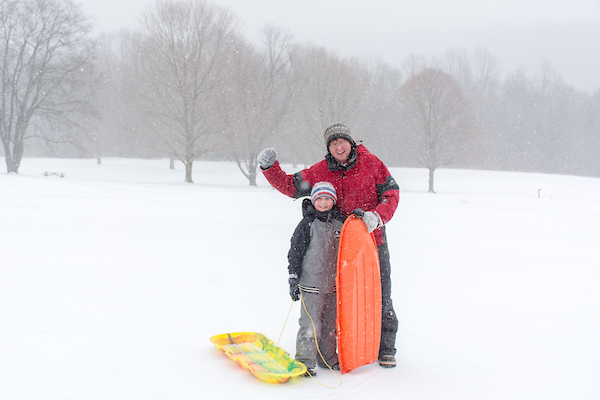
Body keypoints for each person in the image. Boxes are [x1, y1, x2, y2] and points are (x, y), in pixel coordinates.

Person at [258, 123, 400, 368]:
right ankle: (340, 350)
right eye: (333, 143)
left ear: (351, 142)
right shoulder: (322, 170)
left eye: (341, 141)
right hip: (336, 247)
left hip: (371, 242)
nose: (338, 146)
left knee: (380, 296)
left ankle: (385, 348)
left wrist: (376, 216)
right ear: (329, 148)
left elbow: (392, 193)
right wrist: (270, 168)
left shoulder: (372, 164)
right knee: (341, 303)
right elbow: (292, 186)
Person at [288, 181, 346, 376]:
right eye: (319, 199)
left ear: (333, 201)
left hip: (333, 286)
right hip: (311, 285)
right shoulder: (307, 224)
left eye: (327, 199)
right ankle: (305, 362)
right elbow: (295, 252)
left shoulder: (341, 224)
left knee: (330, 326)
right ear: (313, 201)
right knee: (310, 326)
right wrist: (293, 277)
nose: (323, 203)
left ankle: (327, 359)